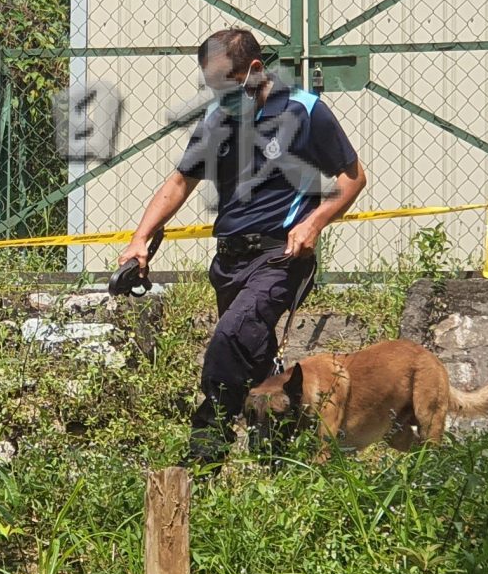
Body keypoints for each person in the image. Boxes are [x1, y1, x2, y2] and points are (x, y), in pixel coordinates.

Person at [117, 27, 369, 466]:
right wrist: (140, 239)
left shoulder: (306, 111)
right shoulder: (217, 120)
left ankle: (204, 456)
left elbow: (353, 179)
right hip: (229, 261)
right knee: (253, 358)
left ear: (254, 70)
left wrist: (315, 223)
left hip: (282, 256)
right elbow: (180, 182)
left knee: (227, 340)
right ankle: (282, 455)